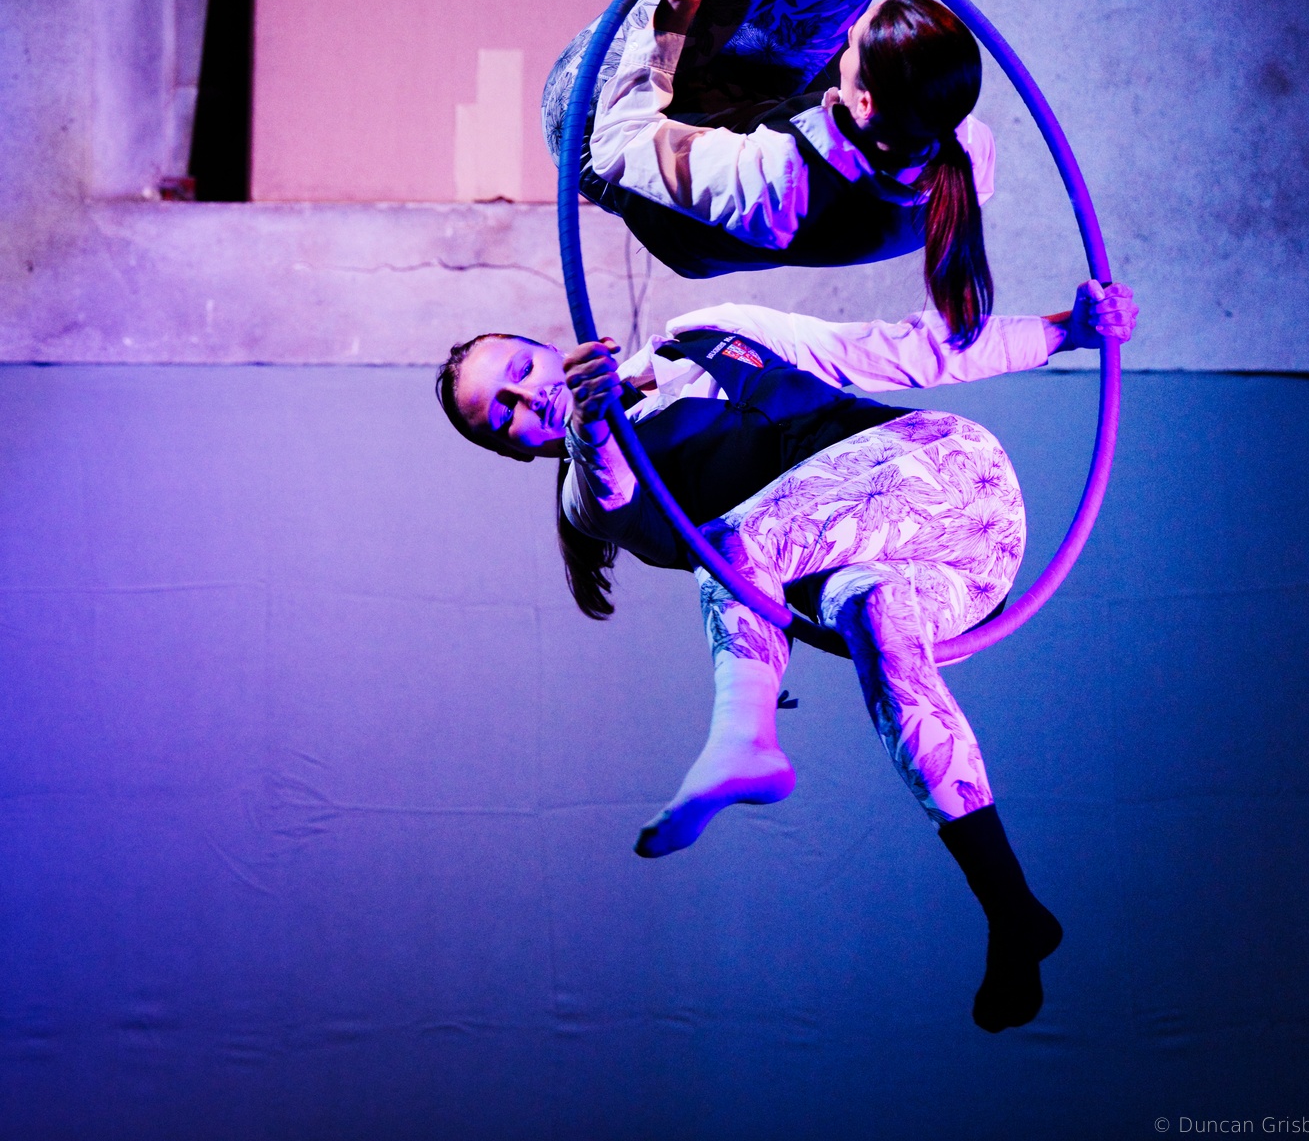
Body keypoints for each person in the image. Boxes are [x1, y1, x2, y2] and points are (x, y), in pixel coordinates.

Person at [437, 279, 1139, 1032]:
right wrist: (589, 423)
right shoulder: (586, 493)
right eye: (503, 417)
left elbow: (895, 349)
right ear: (514, 452)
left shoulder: (702, 334)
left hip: (947, 480)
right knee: (873, 624)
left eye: (521, 372)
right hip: (949, 585)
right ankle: (1011, 909)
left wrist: (1067, 330)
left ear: (550, 348)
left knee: (732, 546)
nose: (526, 399)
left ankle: (741, 738)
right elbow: (607, 486)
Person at [517, 0, 996, 343]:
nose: (849, 33)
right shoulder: (961, 153)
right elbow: (932, 78)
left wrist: (679, 4)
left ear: (864, 103)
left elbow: (617, 143)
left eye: (855, 41)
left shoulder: (778, 184)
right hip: (741, 99)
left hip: (607, 127)